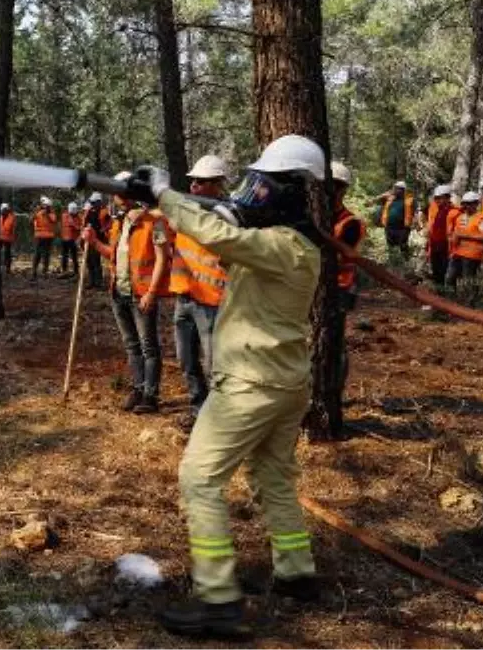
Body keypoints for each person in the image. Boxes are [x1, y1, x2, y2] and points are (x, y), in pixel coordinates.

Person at [126, 135, 326, 639]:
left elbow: (220, 238)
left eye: (262, 184)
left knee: (199, 478)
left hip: (251, 385)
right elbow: (229, 229)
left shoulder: (281, 246)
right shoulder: (298, 247)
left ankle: (217, 597)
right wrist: (188, 205)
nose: (251, 192)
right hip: (285, 384)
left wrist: (164, 195)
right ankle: (297, 573)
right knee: (274, 476)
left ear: (285, 192)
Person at [82, 172, 171, 414]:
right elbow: (113, 254)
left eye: (120, 191)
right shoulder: (118, 223)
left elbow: (162, 259)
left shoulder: (155, 221)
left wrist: (152, 292)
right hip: (119, 292)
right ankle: (138, 387)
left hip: (141, 294)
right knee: (131, 345)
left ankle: (150, 395)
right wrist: (92, 242)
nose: (116, 196)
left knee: (148, 346)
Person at [170, 155, 229, 425]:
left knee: (213, 365)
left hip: (212, 302)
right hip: (184, 297)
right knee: (187, 360)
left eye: (201, 182)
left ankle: (218, 418)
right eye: (193, 181)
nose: (194, 186)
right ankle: (198, 409)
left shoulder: (225, 217)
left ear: (217, 185)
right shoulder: (185, 212)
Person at [331, 161, 365, 394]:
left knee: (334, 342)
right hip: (315, 286)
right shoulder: (318, 216)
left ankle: (334, 391)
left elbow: (341, 255)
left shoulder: (350, 223)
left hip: (340, 289)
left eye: (336, 186)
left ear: (343, 189)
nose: (331, 190)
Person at [446, 191, 483, 293]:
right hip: (457, 252)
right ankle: (450, 301)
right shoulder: (460, 217)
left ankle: (471, 302)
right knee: (450, 277)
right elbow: (456, 233)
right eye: (465, 203)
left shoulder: (482, 219)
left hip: (473, 254)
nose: (467, 206)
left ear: (476, 204)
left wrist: (465, 236)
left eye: (470, 203)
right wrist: (452, 242)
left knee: (469, 279)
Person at [425, 185, 455, 286]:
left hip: (447, 245)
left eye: (439, 198)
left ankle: (447, 294)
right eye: (435, 198)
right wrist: (428, 244)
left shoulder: (454, 211)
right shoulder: (434, 209)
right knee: (436, 270)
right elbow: (431, 226)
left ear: (447, 198)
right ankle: (438, 292)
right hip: (434, 244)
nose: (437, 200)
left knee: (445, 270)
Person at [376, 181, 414, 257]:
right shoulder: (389, 199)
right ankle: (392, 261)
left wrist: (417, 223)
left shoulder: (409, 200)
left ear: (403, 190)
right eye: (394, 188)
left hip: (402, 229)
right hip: (389, 228)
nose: (395, 190)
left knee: (403, 246)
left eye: (397, 189)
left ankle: (406, 263)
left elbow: (416, 212)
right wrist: (384, 194)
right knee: (391, 247)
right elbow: (377, 201)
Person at [83, 192, 107, 288]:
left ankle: (99, 282)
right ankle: (92, 281)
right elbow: (84, 224)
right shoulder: (89, 211)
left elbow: (108, 225)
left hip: (97, 240)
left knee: (96, 261)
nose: (93, 204)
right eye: (92, 203)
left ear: (99, 202)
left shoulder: (103, 212)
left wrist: (102, 230)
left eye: (94, 203)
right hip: (88, 240)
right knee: (89, 261)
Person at [31, 196, 57, 278]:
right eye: (44, 205)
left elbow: (53, 220)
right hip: (39, 236)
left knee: (45, 254)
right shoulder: (38, 213)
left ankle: (44, 271)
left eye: (46, 206)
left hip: (48, 237)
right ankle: (34, 271)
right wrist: (36, 212)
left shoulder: (51, 213)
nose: (45, 207)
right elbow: (31, 220)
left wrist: (47, 214)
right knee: (37, 254)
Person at [59, 202, 82, 277]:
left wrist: (75, 226)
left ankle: (75, 271)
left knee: (74, 256)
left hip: (72, 239)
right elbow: (76, 227)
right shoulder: (65, 216)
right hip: (65, 239)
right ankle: (64, 271)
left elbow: (79, 228)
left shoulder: (77, 217)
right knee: (65, 256)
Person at [0, 203, 17, 274]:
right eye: (2, 210)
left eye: (5, 210)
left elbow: (13, 229)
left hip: (8, 238)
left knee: (7, 254)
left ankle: (8, 269)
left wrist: (13, 238)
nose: (3, 211)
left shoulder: (12, 217)